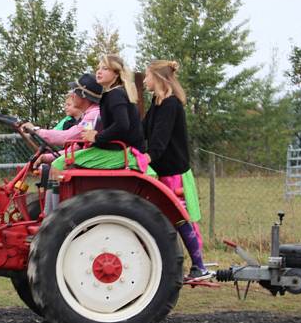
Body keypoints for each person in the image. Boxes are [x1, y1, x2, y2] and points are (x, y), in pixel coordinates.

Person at [142, 59, 212, 281]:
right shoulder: (157, 103)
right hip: (162, 170)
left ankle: (199, 265)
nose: (144, 80)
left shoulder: (170, 105)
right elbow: (143, 131)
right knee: (165, 220)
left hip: (174, 173)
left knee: (181, 219)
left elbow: (160, 140)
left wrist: (147, 157)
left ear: (159, 78)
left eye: (147, 76)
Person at [50, 55, 146, 172]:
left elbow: (122, 125)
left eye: (105, 69)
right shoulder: (115, 94)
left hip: (124, 152)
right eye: (98, 68)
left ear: (116, 74)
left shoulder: (115, 94)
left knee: (58, 164)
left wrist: (97, 137)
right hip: (122, 150)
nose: (99, 72)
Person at [20, 73, 102, 167]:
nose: (72, 95)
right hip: (91, 155)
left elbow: (66, 137)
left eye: (75, 91)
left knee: (57, 166)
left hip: (94, 156)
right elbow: (78, 146)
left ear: (83, 95)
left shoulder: (93, 115)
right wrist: (46, 157)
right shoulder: (91, 114)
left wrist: (35, 130)